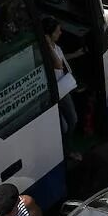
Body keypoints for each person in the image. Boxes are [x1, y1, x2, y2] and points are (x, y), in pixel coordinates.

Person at [42, 18, 80, 157]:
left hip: (63, 86)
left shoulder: (57, 48)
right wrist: (47, 44)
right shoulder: (46, 52)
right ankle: (66, 150)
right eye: (57, 31)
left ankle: (66, 147)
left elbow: (63, 62)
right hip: (56, 91)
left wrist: (77, 54)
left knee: (68, 121)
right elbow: (58, 64)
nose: (60, 33)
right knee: (68, 123)